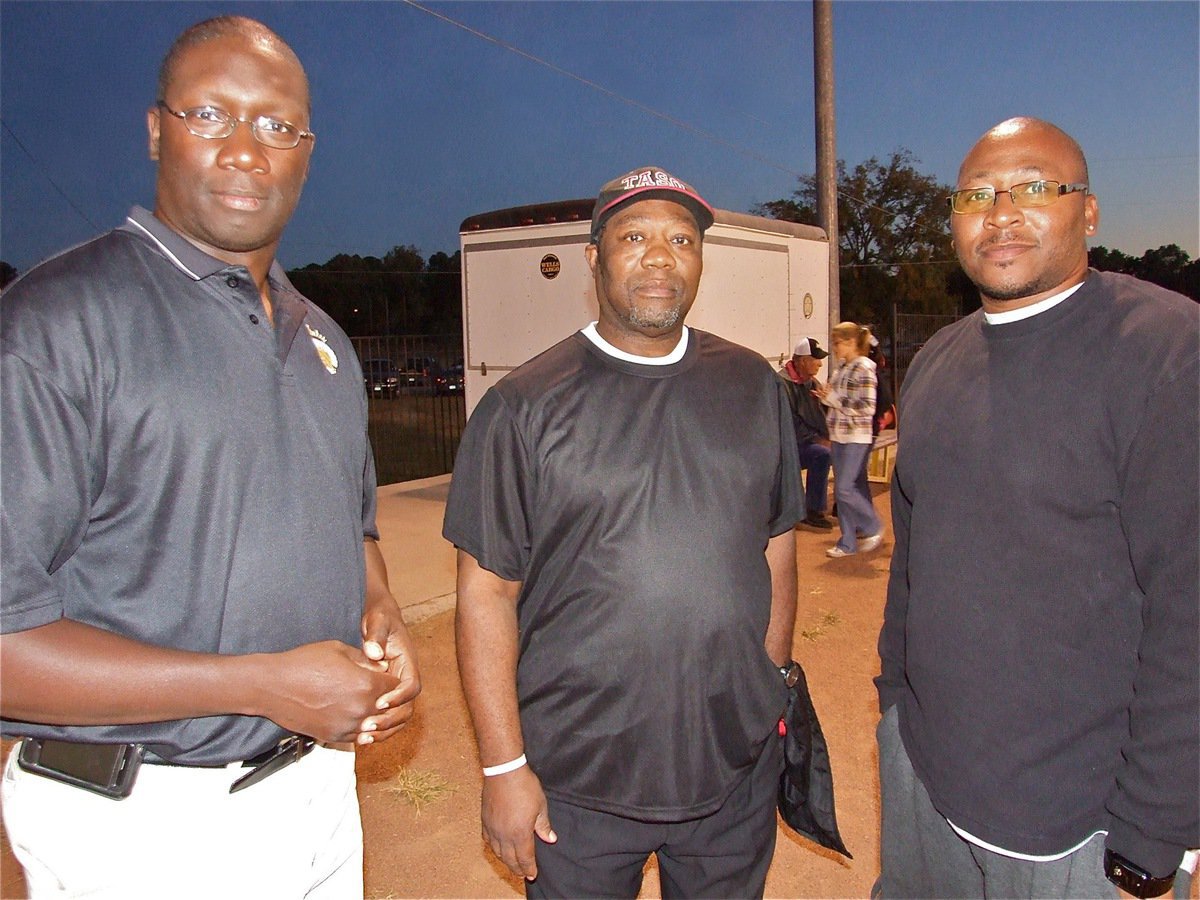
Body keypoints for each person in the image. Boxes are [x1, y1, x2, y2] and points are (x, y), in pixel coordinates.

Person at [0, 17, 420, 897]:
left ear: (307, 151)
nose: (245, 150)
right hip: (139, 825)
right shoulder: (54, 324)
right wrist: (263, 685)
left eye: (276, 125)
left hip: (316, 796)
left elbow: (357, 533)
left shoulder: (323, 343)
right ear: (157, 130)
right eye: (210, 115)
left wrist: (379, 616)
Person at [444, 165, 804, 899]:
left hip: (730, 777)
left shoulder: (754, 387)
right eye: (634, 236)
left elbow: (779, 545)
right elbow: (486, 594)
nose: (659, 256)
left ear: (701, 259)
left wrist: (770, 690)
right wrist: (505, 769)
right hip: (578, 786)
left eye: (681, 238)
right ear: (594, 258)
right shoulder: (521, 408)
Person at [876, 116, 1199, 899]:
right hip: (926, 785)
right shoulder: (938, 362)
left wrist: (1157, 827)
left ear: (1088, 212)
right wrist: (894, 704)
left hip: (1076, 829)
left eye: (1033, 187)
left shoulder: (1166, 351)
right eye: (977, 195)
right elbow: (913, 560)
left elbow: (1190, 604)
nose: (1001, 211)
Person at [815, 322, 883, 558]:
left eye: (838, 343)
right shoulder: (842, 369)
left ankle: (872, 525)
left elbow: (867, 407)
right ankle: (847, 542)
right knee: (842, 489)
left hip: (856, 436)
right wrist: (827, 398)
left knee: (844, 488)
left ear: (851, 342)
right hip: (839, 434)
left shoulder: (863, 368)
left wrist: (834, 399)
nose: (834, 348)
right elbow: (838, 400)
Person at [779, 337, 835, 529]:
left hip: (805, 442)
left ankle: (842, 506)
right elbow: (788, 425)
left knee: (845, 450)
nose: (820, 363)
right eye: (815, 359)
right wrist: (818, 439)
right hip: (786, 447)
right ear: (802, 361)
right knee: (822, 454)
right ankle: (812, 511)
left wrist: (829, 402)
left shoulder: (810, 383)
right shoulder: (782, 384)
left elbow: (819, 416)